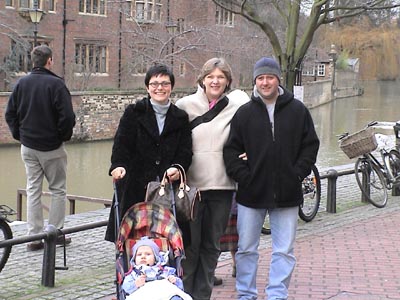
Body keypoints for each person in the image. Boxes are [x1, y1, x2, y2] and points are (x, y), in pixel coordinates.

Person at [223, 57, 320, 300]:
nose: (265, 82)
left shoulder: (298, 111)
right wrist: (244, 177)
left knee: (284, 250)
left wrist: (297, 172)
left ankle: (277, 294)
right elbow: (231, 151)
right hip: (251, 193)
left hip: (287, 193)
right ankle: (246, 294)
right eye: (260, 78)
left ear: (278, 79)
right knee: (246, 249)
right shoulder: (244, 113)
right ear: (255, 81)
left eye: (270, 77)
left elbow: (310, 146)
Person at [175, 57, 249, 300]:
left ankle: (202, 296)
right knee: (190, 247)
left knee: (211, 247)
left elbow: (255, 128)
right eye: (211, 77)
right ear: (202, 79)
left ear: (228, 81)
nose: (215, 81)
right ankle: (184, 295)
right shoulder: (185, 106)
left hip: (222, 186)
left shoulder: (237, 106)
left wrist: (251, 151)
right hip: (191, 189)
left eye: (221, 77)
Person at [105, 64, 192, 243]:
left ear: (171, 87)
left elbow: (185, 151)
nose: (159, 88)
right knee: (132, 242)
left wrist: (177, 167)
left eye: (165, 83)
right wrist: (118, 165)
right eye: (154, 83)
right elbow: (121, 144)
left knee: (166, 241)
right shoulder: (133, 113)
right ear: (147, 87)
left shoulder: (180, 118)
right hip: (135, 186)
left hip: (166, 189)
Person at [5, 45, 76, 251]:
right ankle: (54, 233)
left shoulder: (21, 84)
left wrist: (20, 135)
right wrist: (62, 137)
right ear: (49, 61)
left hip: (28, 147)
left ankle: (34, 237)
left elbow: (10, 114)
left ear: (32, 61)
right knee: (58, 190)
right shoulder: (56, 85)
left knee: (33, 190)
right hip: (52, 147)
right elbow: (67, 117)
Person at [122, 237, 192, 300]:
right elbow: (126, 287)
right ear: (134, 259)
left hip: (165, 294)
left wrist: (174, 280)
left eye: (148, 254)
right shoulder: (133, 274)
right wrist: (135, 284)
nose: (143, 256)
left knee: (175, 297)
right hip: (144, 295)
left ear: (155, 258)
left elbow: (180, 286)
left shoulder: (164, 270)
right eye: (139, 254)